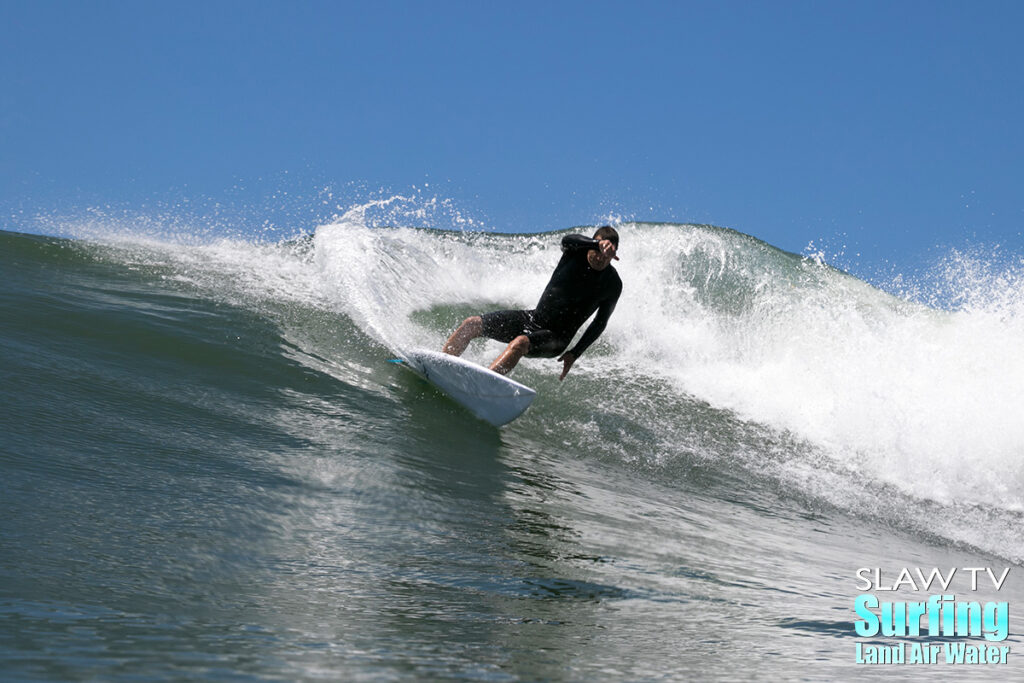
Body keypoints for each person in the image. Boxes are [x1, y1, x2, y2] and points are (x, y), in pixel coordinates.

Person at [443, 226, 622, 380]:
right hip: (532, 318)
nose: (600, 257)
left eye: (606, 255)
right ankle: (441, 365)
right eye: (597, 250)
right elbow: (567, 240)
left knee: (520, 343)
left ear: (613, 255)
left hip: (557, 338)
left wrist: (575, 353)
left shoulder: (612, 284)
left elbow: (600, 323)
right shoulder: (575, 252)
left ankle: (481, 384)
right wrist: (595, 244)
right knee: (470, 324)